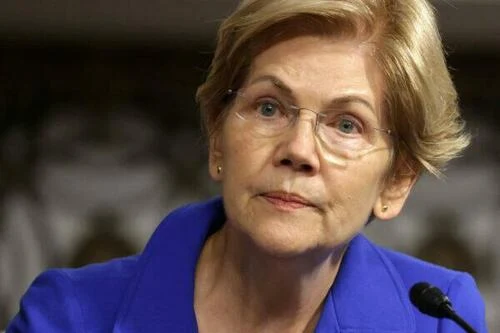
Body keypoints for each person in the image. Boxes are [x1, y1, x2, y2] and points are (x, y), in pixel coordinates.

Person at [7, 0, 487, 332]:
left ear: (397, 181)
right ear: (217, 135)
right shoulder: (68, 316)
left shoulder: (438, 318)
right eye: (269, 108)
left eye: (346, 125)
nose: (298, 150)